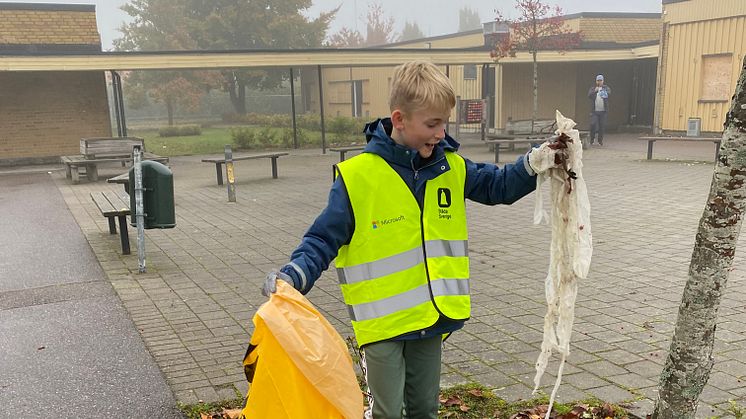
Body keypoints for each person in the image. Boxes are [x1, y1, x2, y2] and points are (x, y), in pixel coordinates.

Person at [262, 61, 559, 419]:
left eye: (444, 123)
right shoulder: (358, 177)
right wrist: (294, 275)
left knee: (423, 409)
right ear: (400, 119)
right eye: (432, 124)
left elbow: (498, 186)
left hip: (431, 319)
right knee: (388, 413)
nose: (440, 133)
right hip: (382, 327)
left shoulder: (451, 167)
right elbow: (322, 238)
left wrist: (536, 162)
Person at [588, 74, 611, 146]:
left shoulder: (606, 88)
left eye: (600, 80)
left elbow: (608, 94)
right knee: (593, 124)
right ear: (596, 81)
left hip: (603, 111)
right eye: (598, 80)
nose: (599, 82)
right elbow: (589, 95)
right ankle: (592, 139)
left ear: (603, 81)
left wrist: (602, 91)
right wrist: (595, 91)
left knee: (602, 126)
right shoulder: (593, 88)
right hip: (594, 111)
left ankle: (600, 140)